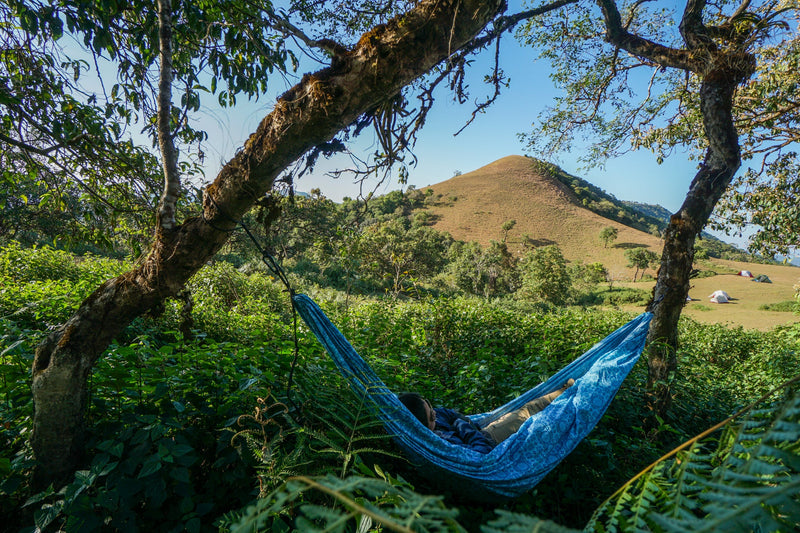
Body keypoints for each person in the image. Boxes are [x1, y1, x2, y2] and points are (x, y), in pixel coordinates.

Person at [398, 379, 575, 454]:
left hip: (486, 432)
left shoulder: (435, 418)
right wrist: (463, 426)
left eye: (429, 404)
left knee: (529, 409)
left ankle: (566, 392)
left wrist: (462, 425)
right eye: (431, 418)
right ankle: (570, 392)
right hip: (492, 440)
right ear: (422, 426)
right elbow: (479, 451)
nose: (435, 413)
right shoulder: (440, 441)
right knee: (531, 411)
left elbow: (450, 414)